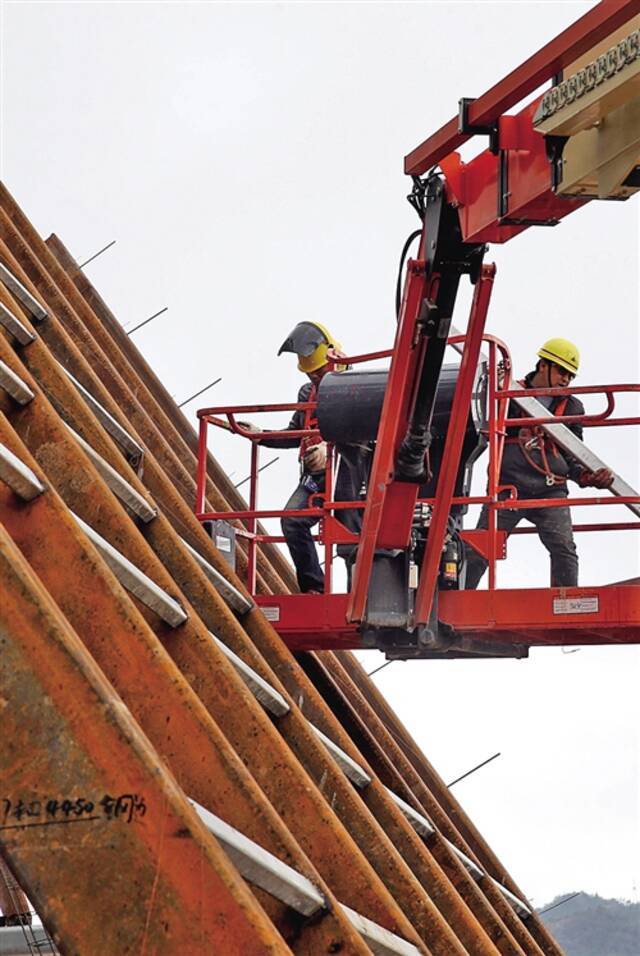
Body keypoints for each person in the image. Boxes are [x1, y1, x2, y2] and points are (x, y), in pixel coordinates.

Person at [465, 337, 613, 589]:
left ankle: (567, 605)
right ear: (543, 365)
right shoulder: (508, 395)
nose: (566, 380)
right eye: (561, 371)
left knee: (564, 548)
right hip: (508, 489)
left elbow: (573, 456)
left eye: (570, 375)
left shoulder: (572, 407)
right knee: (481, 547)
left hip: (550, 489)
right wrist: (496, 388)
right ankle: (458, 604)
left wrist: (588, 478)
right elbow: (483, 426)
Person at [240, 322, 369, 593]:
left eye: (319, 371)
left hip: (348, 471)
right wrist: (260, 435)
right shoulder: (307, 393)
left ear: (332, 357)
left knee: (351, 536)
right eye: (310, 373)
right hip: (316, 478)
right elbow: (295, 434)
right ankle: (314, 588)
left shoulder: (358, 385)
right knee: (292, 519)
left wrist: (329, 447)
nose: (315, 377)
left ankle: (357, 600)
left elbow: (368, 431)